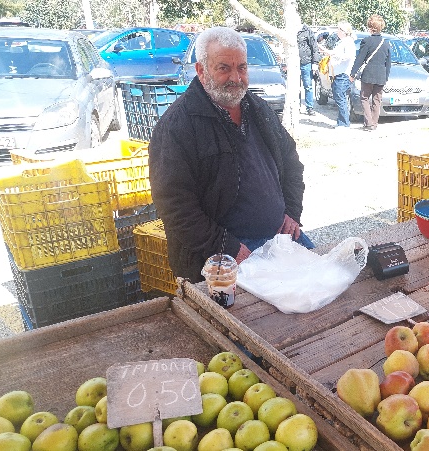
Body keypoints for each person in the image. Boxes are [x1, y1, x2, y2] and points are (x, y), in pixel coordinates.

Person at [148, 27, 312, 282]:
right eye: (224, 68)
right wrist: (226, 247)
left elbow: (292, 162)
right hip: (224, 251)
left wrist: (292, 211)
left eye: (242, 68)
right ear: (201, 71)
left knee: (327, 285)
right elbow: (174, 205)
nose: (236, 78)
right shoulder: (177, 126)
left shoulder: (258, 109)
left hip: (279, 236)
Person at [350, 15, 390, 131]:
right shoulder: (386, 43)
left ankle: (368, 123)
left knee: (364, 98)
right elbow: (388, 63)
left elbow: (360, 59)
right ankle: (374, 123)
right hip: (381, 76)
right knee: (377, 100)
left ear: (370, 27)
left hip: (368, 75)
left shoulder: (366, 41)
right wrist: (386, 77)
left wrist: (352, 74)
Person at [321, 22, 356, 128]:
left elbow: (347, 56)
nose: (337, 32)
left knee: (340, 98)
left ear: (344, 32)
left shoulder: (348, 42)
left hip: (343, 74)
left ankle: (344, 123)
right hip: (338, 73)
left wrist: (333, 54)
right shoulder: (342, 42)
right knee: (339, 98)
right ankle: (341, 122)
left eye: (339, 30)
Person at [297, 24, 320, 116]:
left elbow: (314, 48)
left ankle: (309, 107)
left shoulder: (307, 31)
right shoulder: (290, 31)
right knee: (295, 87)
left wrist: (315, 63)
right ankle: (296, 106)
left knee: (308, 86)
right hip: (294, 63)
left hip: (306, 63)